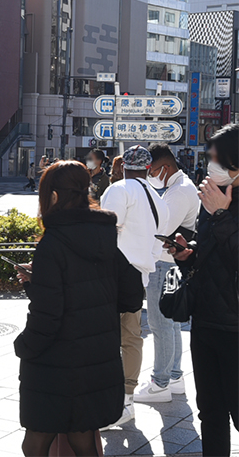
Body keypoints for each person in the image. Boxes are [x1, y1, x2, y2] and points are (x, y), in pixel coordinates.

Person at [14, 161, 144, 456]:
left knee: (37, 440)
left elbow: (47, 316)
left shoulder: (53, 243)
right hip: (96, 358)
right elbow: (132, 295)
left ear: (55, 197)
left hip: (54, 363)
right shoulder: (106, 235)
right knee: (83, 439)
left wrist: (23, 346)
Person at [167, 123, 238, 456]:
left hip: (236, 328)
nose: (212, 165)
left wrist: (221, 214)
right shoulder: (213, 195)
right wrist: (186, 253)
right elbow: (211, 253)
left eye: (219, 158)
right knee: (210, 412)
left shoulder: (217, 203)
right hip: (205, 320)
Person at [100, 145, 170, 429]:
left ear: (124, 166)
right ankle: (127, 400)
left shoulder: (120, 189)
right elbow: (158, 245)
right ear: (149, 168)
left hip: (113, 271)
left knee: (104, 336)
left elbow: (105, 230)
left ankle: (109, 400)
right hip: (138, 273)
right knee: (132, 337)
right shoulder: (159, 198)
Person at [133, 144, 199, 404]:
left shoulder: (179, 191)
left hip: (163, 263)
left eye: (151, 170)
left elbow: (159, 228)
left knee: (161, 325)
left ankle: (160, 383)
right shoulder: (180, 186)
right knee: (170, 324)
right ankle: (174, 377)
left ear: (165, 168)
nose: (149, 174)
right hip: (169, 263)